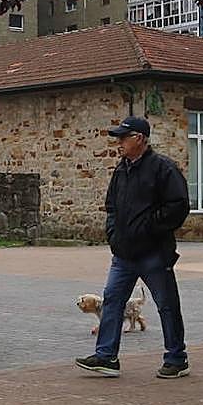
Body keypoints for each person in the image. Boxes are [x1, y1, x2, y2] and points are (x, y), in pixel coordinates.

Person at [76, 116, 191, 378]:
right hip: (123, 254)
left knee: (167, 305)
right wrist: (114, 234)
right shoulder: (121, 170)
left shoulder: (163, 169)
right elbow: (112, 207)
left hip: (154, 252)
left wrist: (149, 227)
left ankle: (176, 358)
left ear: (139, 138)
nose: (118, 143)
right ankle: (106, 357)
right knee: (113, 301)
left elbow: (178, 206)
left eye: (123, 138)